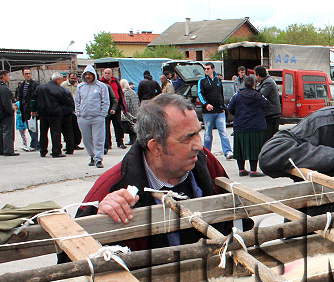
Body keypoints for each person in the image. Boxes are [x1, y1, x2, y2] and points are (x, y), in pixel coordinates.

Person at [77, 93, 229, 252]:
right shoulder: (112, 185)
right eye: (187, 138)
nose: (199, 145)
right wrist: (99, 221)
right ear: (155, 147)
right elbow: (70, 255)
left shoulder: (207, 162)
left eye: (198, 133)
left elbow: (239, 224)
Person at [228, 75, 268, 177]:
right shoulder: (258, 96)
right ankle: (253, 170)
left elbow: (230, 108)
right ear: (254, 84)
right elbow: (266, 104)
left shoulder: (237, 95)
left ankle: (241, 170)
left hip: (240, 126)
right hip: (255, 126)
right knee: (254, 149)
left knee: (239, 149)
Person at [75, 65, 110, 168]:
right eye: (86, 74)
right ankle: (92, 156)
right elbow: (77, 101)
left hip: (97, 117)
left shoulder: (101, 86)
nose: (88, 76)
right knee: (86, 139)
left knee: (98, 138)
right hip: (83, 117)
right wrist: (79, 113)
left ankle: (99, 158)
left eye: (90, 74)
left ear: (94, 75)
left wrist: (102, 114)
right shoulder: (80, 87)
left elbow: (105, 101)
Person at [197, 62, 233, 160]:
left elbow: (221, 94)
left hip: (219, 111)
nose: (206, 70)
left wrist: (223, 107)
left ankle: (228, 151)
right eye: (205, 69)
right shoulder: (202, 81)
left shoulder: (218, 80)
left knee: (223, 132)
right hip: (208, 112)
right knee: (208, 133)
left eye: (208, 68)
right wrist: (206, 104)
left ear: (213, 69)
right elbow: (200, 94)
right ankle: (207, 153)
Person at [34, 72, 73, 158]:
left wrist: (34, 110)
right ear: (58, 80)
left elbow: (34, 99)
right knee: (55, 133)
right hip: (55, 113)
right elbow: (66, 102)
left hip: (43, 113)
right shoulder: (60, 89)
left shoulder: (40, 88)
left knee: (43, 132)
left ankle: (43, 150)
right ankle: (56, 151)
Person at [0, 70, 17, 156]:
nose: (8, 77)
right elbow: (6, 103)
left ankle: (1, 149)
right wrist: (11, 110)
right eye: (7, 75)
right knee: (7, 132)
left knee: (1, 131)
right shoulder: (4, 89)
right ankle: (8, 150)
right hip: (5, 114)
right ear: (4, 76)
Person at [101, 68, 127, 151]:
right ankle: (107, 144)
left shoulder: (115, 81)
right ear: (103, 74)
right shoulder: (100, 83)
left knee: (118, 125)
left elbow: (120, 92)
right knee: (106, 127)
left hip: (116, 105)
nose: (107, 74)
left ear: (111, 74)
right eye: (105, 73)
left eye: (108, 73)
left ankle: (120, 142)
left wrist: (122, 104)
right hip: (106, 106)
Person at [15, 68, 39, 151]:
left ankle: (34, 144)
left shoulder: (35, 85)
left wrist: (35, 109)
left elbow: (36, 98)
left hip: (32, 109)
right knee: (29, 127)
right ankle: (36, 143)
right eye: (26, 74)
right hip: (24, 108)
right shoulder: (22, 85)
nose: (28, 75)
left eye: (29, 73)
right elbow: (21, 98)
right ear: (23, 75)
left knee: (33, 127)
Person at [254, 66, 280, 142]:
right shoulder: (265, 81)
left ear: (258, 75)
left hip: (271, 114)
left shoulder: (268, 82)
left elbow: (261, 96)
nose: (255, 78)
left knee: (269, 137)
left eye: (255, 75)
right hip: (269, 113)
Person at [62, 72, 82, 153]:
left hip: (77, 110)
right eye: (72, 79)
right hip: (67, 110)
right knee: (68, 129)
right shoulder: (63, 85)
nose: (73, 80)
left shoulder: (79, 86)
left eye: (75, 78)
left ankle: (76, 143)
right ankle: (69, 144)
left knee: (77, 129)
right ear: (68, 78)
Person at [121, 79, 139, 145]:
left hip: (130, 111)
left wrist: (125, 111)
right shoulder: (133, 92)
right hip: (135, 110)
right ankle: (134, 139)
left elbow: (126, 104)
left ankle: (132, 140)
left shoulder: (125, 93)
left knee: (130, 126)